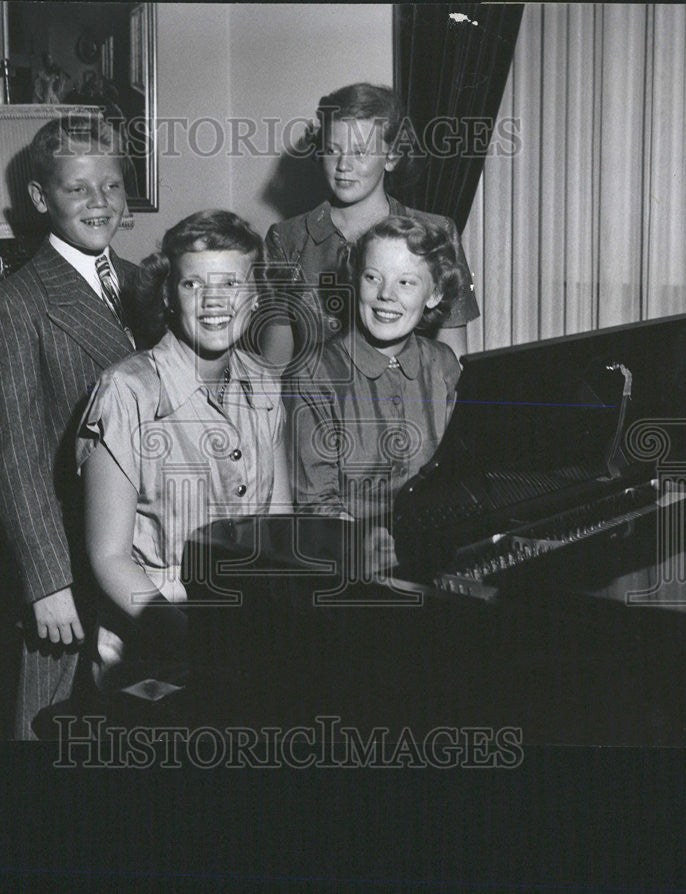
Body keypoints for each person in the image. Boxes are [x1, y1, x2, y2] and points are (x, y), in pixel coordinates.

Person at [0, 112, 152, 739]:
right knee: (54, 719)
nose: (99, 202)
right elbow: (14, 456)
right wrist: (46, 581)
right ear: (41, 198)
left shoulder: (147, 286)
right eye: (78, 189)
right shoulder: (12, 305)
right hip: (70, 561)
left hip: (145, 547)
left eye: (112, 186)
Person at [77, 210, 290, 687]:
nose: (214, 301)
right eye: (194, 284)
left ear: (255, 297)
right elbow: (108, 558)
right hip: (151, 632)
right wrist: (197, 639)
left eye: (231, 284)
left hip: (250, 622)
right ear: (169, 295)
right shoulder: (126, 392)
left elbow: (279, 526)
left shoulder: (266, 385)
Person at [286, 215, 465, 573]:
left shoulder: (443, 364)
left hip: (438, 550)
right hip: (351, 563)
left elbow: (458, 477)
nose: (386, 294)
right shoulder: (313, 373)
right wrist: (363, 547)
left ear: (434, 295)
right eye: (373, 277)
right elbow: (317, 505)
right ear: (355, 280)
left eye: (406, 282)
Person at [261, 83, 479, 369]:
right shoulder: (286, 239)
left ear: (391, 157)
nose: (343, 166)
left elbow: (452, 360)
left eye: (360, 152)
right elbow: (276, 365)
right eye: (332, 150)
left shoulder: (438, 232)